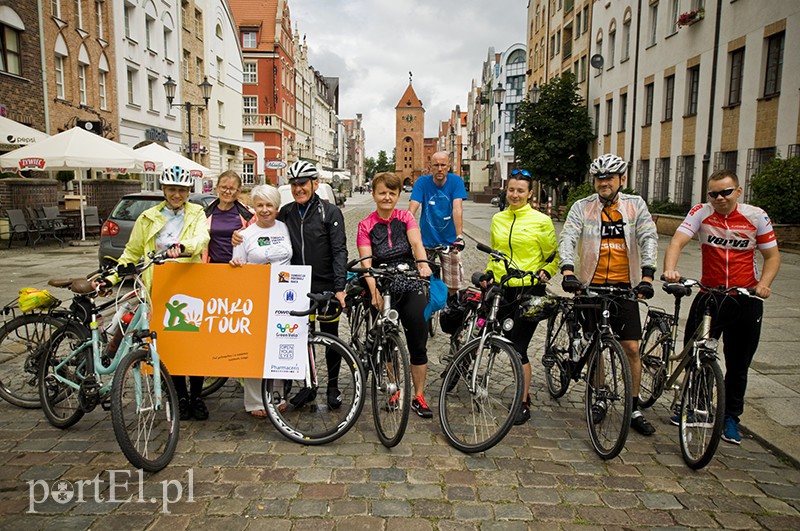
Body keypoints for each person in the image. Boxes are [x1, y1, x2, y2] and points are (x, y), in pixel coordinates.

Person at [663, 170, 780, 445]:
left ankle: (730, 417)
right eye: (713, 193)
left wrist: (764, 283)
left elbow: (772, 257)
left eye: (725, 192)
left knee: (739, 364)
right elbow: (677, 241)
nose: (719, 198)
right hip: (709, 295)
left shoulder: (756, 217)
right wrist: (670, 269)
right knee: (695, 354)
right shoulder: (701, 213)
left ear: (738, 192)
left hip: (745, 298)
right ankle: (695, 405)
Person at [558, 153, 658, 436]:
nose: (604, 183)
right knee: (595, 345)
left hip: (625, 286)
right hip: (589, 285)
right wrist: (567, 271)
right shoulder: (582, 207)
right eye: (599, 178)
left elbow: (648, 237)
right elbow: (568, 237)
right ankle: (600, 395)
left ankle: (634, 406)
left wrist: (647, 276)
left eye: (609, 178)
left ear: (621, 180)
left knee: (632, 348)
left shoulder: (634, 206)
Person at [100, 165, 210, 421]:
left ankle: (196, 396)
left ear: (188, 191)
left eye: (182, 190)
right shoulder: (148, 217)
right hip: (159, 288)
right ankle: (180, 396)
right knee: (169, 347)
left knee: (193, 345)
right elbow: (131, 253)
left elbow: (201, 239)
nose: (177, 195)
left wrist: (183, 247)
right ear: (163, 189)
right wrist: (113, 276)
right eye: (172, 189)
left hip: (189, 287)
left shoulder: (196, 213)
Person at [484, 168, 559, 425]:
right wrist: (489, 274)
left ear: (529, 193)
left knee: (519, 346)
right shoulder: (499, 220)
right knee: (502, 338)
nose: (514, 195)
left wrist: (545, 272)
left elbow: (552, 257)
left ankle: (523, 401)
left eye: (520, 191)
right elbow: (496, 254)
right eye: (511, 190)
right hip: (505, 289)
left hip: (530, 290)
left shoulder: (541, 221)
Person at [357, 172, 434, 417]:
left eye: (392, 193)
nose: (387, 197)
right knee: (387, 341)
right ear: (374, 195)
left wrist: (422, 264)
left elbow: (416, 244)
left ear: (398, 195)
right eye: (382, 192)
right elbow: (366, 262)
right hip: (380, 281)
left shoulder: (406, 217)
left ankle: (419, 395)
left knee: (417, 342)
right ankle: (394, 389)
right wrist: (374, 292)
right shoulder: (365, 225)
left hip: (407, 280)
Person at [276, 160, 349, 409]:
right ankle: (308, 386)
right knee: (300, 337)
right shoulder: (285, 212)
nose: (298, 189)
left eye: (303, 184)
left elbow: (339, 251)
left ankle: (333, 386)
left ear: (314, 184)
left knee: (330, 337)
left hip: (326, 285)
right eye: (294, 184)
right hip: (297, 287)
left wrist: (340, 287)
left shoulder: (330, 213)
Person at [229, 185, 293, 417]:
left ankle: (277, 395)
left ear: (277, 207)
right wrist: (235, 265)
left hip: (284, 296)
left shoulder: (285, 228)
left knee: (279, 344)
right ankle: (255, 400)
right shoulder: (244, 235)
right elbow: (237, 267)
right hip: (254, 297)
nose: (265, 210)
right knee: (255, 348)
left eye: (269, 205)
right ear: (254, 207)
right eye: (260, 205)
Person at [409, 151, 468, 294]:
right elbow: (413, 207)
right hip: (427, 240)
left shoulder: (456, 181)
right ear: (431, 167)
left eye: (443, 165)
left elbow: (457, 209)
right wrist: (406, 228)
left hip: (450, 241)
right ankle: (426, 309)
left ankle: (448, 310)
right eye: (436, 165)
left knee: (453, 284)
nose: (440, 168)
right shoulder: (422, 182)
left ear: (448, 166)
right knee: (420, 280)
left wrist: (459, 236)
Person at [203, 170, 256, 264]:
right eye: (223, 187)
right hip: (212, 266)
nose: (227, 192)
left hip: (239, 266)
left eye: (232, 188)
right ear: (217, 188)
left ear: (238, 191)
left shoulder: (249, 215)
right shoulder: (205, 214)